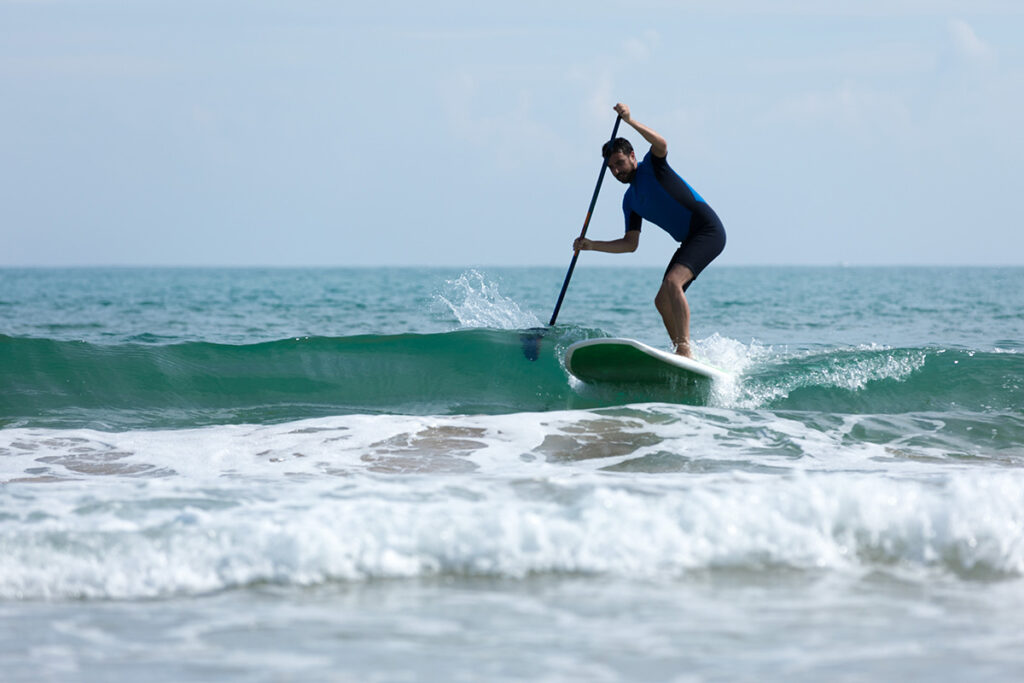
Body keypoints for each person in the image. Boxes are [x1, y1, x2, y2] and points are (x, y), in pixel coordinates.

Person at [573, 103, 726, 358]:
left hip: (708, 230)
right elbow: (630, 244)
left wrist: (630, 121)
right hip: (689, 239)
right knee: (661, 300)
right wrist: (591, 245)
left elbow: (662, 144)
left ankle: (685, 350)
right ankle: (680, 351)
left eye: (620, 163)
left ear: (632, 155)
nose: (616, 171)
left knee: (672, 282)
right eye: (611, 168)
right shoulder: (629, 201)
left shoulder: (652, 167)